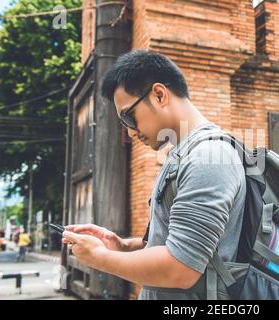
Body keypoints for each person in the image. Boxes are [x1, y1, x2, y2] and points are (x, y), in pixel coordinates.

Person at [61, 50, 246, 300]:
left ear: (159, 94)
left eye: (128, 116)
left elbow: (181, 268)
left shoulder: (208, 157)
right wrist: (124, 246)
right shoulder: (183, 154)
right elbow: (183, 241)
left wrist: (100, 258)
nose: (130, 133)